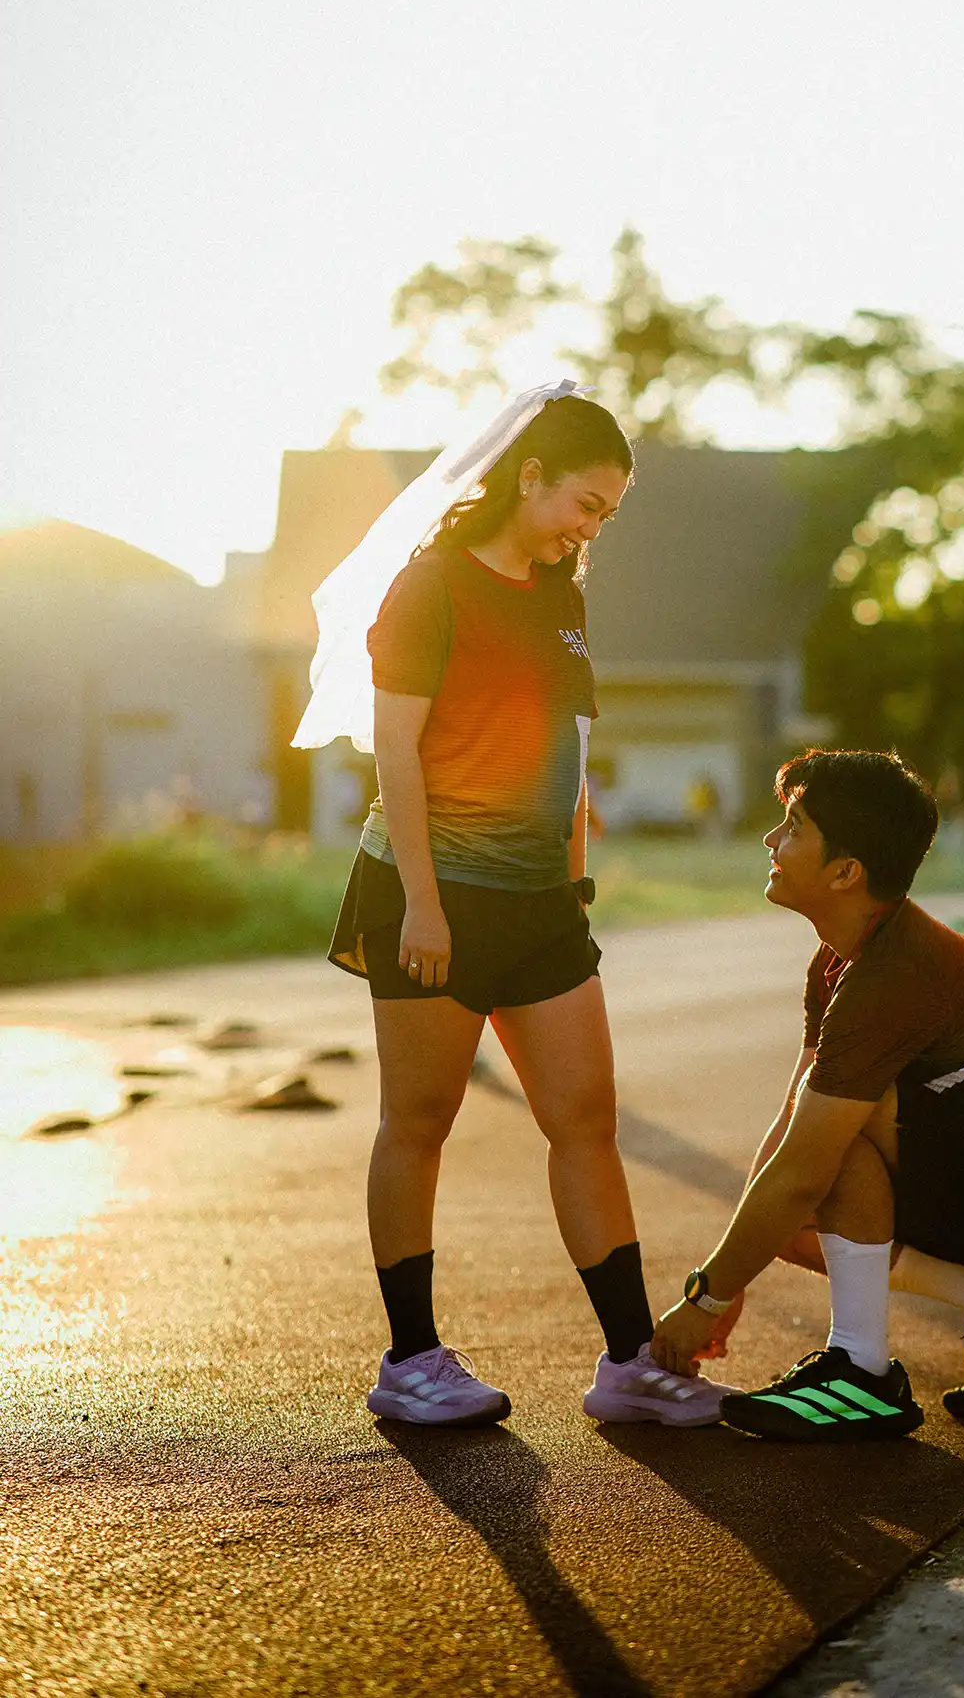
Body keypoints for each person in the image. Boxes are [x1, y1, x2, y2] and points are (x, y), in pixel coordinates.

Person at [323, 391, 734, 1430]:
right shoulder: (429, 586)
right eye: (583, 504)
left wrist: (575, 880)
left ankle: (629, 1362)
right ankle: (411, 1359)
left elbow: (569, 750)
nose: (587, 529)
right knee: (419, 1122)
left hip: (540, 900)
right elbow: (396, 756)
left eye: (606, 516)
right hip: (433, 893)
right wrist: (422, 902)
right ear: (529, 475)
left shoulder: (561, 593)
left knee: (585, 1120)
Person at [650, 748, 964, 1441]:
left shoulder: (893, 978)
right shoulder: (842, 960)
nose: (770, 842)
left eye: (793, 827)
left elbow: (807, 1161)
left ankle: (860, 1373)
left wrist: (706, 1296)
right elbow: (788, 1126)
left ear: (847, 873)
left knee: (829, 1147)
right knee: (786, 1203)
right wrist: (729, 1277)